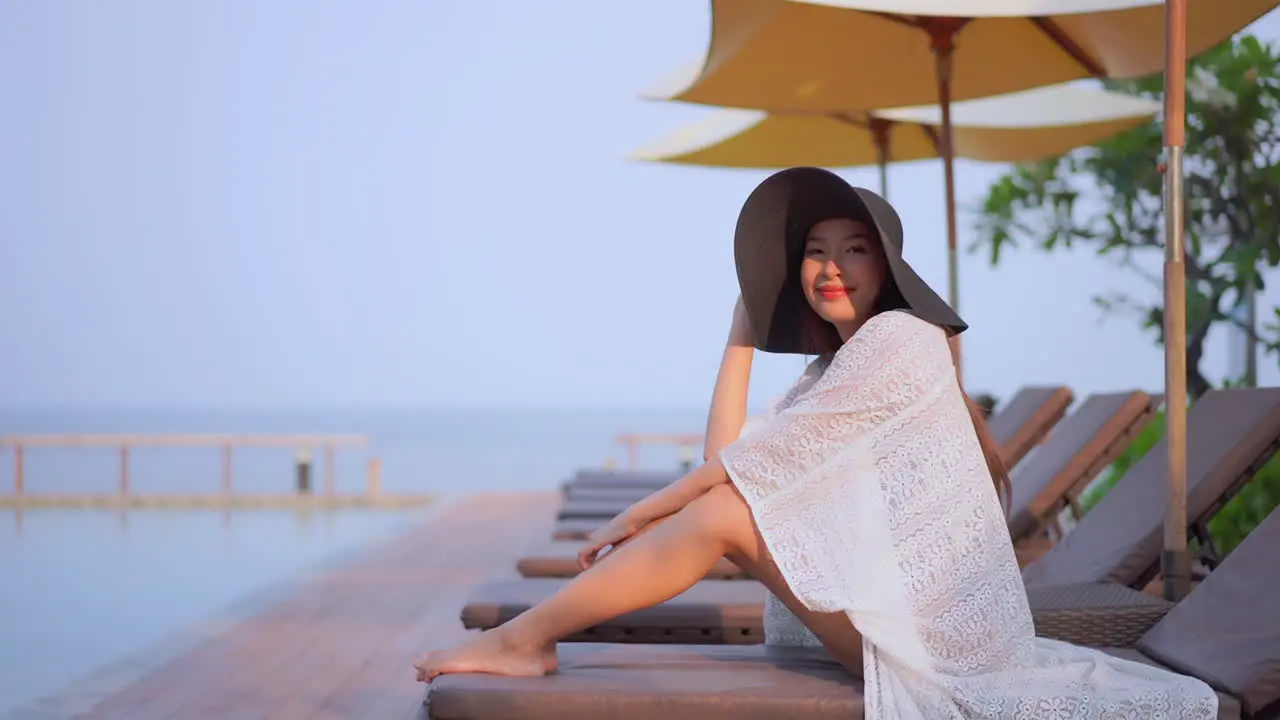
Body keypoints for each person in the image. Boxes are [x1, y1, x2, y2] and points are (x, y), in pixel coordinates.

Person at [414, 167, 1218, 718]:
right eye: (813, 251)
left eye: (854, 249)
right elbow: (727, 462)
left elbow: (729, 482)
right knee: (726, 508)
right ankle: (524, 638)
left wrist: (637, 514)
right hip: (899, 617)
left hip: (946, 640)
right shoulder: (829, 374)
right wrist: (742, 323)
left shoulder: (904, 339)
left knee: (724, 514)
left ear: (888, 267)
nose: (831, 267)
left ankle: (523, 640)